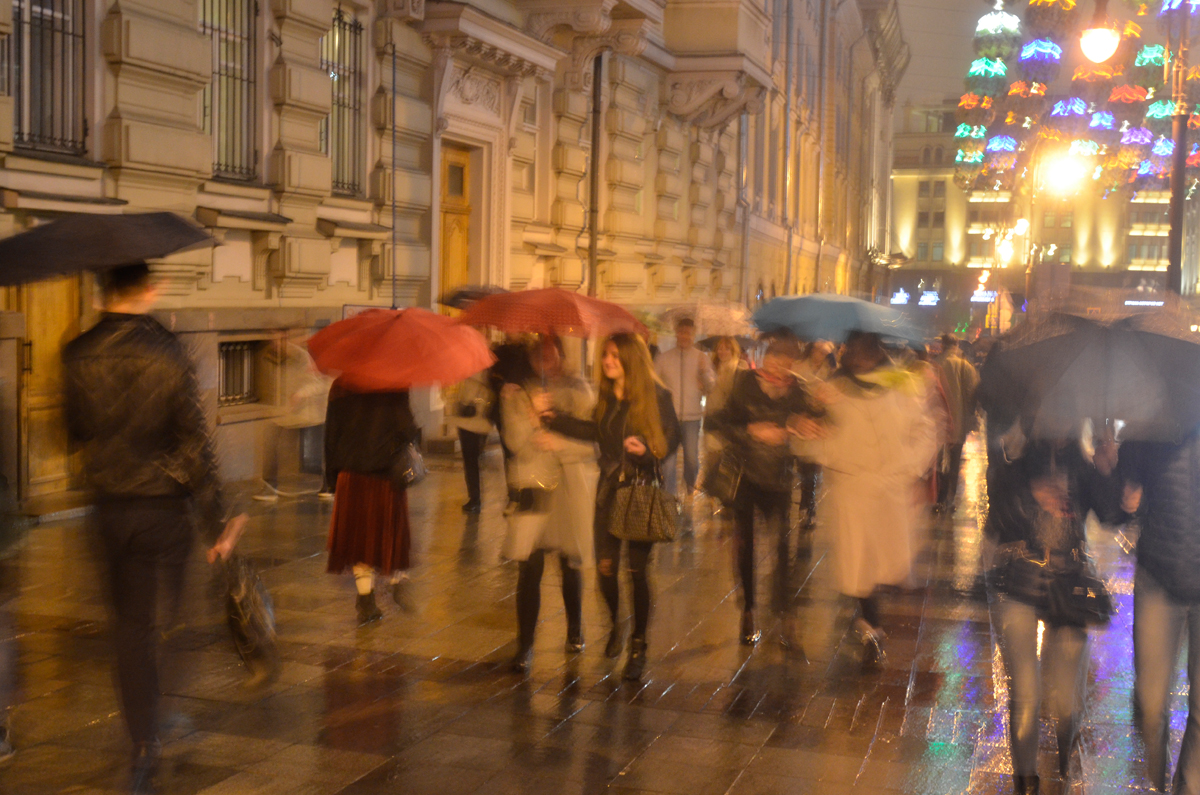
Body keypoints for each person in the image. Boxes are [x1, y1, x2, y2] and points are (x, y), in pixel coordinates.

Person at [62, 263, 248, 795]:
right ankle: (157, 717)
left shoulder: (75, 352)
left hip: (108, 507)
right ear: (149, 288)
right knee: (174, 615)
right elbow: (193, 440)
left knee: (130, 625)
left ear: (100, 292)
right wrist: (218, 519)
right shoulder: (169, 350)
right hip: (163, 508)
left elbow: (73, 431)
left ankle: (142, 738)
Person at [791, 332, 937, 665]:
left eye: (862, 349)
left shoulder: (901, 382)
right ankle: (871, 626)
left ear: (876, 349)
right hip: (851, 489)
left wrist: (911, 468)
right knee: (858, 567)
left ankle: (868, 622)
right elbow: (818, 437)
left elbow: (925, 429)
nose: (855, 356)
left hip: (889, 488)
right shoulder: (832, 388)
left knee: (885, 564)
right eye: (850, 350)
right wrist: (807, 431)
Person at [984, 432, 1118, 794]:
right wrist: (1032, 494)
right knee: (1026, 693)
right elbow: (995, 520)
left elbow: (1112, 514)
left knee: (1067, 702)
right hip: (1019, 581)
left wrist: (1108, 470)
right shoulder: (1015, 457)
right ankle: (1025, 783)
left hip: (1070, 586)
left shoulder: (1084, 465)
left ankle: (1064, 758)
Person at [543, 333, 680, 680]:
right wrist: (552, 417)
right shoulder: (607, 397)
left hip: (639, 490)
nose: (607, 361)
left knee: (636, 571)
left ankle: (638, 644)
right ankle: (617, 622)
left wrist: (647, 453)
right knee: (605, 569)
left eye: (615, 356)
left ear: (630, 360)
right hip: (608, 491)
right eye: (605, 355)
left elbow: (671, 439)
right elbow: (593, 430)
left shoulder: (656, 396)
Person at [709, 335, 819, 645]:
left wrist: (807, 418)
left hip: (779, 480)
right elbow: (717, 423)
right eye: (776, 359)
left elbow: (811, 420)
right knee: (746, 546)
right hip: (745, 476)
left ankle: (785, 611)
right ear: (767, 357)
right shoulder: (744, 382)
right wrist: (751, 431)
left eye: (787, 362)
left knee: (784, 547)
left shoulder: (797, 389)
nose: (781, 368)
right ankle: (748, 609)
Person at [501, 337, 597, 673]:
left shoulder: (580, 390)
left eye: (550, 350)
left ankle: (575, 628)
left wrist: (558, 441)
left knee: (569, 564)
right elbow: (513, 442)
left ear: (560, 353)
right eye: (537, 351)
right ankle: (525, 644)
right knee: (529, 568)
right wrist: (531, 417)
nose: (544, 357)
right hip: (532, 486)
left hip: (568, 488)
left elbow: (592, 443)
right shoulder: (518, 393)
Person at [1116, 432, 1200, 794]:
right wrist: (1122, 483)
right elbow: (1121, 496)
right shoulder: (1158, 416)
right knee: (1151, 707)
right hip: (1159, 575)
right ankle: (1156, 784)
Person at [324, 381, 417, 625]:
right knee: (389, 533)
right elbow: (406, 429)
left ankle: (365, 599)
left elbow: (331, 434)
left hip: (350, 473)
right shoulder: (393, 384)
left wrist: (332, 477)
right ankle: (398, 580)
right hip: (384, 474)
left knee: (359, 539)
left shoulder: (341, 386)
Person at [654, 318, 715, 509]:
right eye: (681, 332)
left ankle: (689, 486)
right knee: (668, 461)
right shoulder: (664, 358)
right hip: (669, 418)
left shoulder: (701, 357)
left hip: (692, 416)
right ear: (676, 333)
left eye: (688, 333)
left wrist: (704, 376)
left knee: (691, 459)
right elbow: (654, 383)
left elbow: (711, 385)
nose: (684, 336)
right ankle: (670, 496)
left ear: (693, 334)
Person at [935, 333, 980, 513]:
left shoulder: (935, 365)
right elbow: (973, 394)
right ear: (957, 344)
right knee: (954, 463)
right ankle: (949, 499)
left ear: (942, 345)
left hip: (937, 422)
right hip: (959, 422)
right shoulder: (965, 366)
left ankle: (938, 496)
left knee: (938, 461)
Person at [794, 340, 836, 531]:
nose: (819, 355)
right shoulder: (798, 368)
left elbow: (835, 402)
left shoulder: (832, 372)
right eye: (817, 350)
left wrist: (824, 402)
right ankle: (804, 507)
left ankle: (808, 510)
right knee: (803, 469)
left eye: (823, 352)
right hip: (801, 426)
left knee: (813, 472)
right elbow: (792, 395)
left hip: (819, 427)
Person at [449, 369, 494, 514]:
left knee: (471, 459)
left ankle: (475, 499)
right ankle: (474, 497)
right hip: (465, 416)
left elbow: (483, 388)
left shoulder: (478, 370)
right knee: (470, 460)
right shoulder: (465, 370)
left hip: (474, 415)